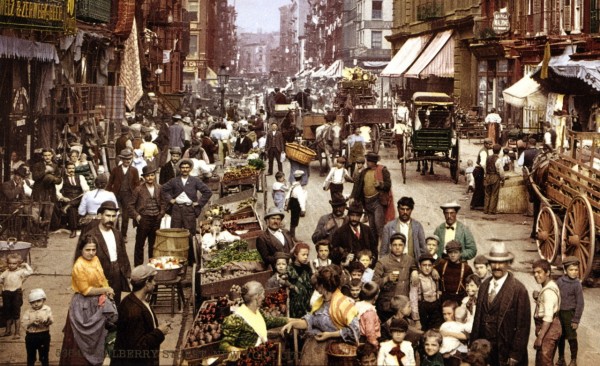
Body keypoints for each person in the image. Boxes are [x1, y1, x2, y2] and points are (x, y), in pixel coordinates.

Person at [282, 265, 360, 365]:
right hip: (314, 351)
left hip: (334, 354)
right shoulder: (320, 302)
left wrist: (330, 335)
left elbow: (354, 331)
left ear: (322, 286)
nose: (315, 289)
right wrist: (293, 324)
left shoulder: (343, 304)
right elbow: (310, 320)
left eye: (317, 286)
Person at [59, 235, 118, 366]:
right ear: (81, 249)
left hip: (98, 302)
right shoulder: (78, 266)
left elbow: (102, 278)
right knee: (81, 341)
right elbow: (85, 290)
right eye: (88, 250)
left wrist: (107, 291)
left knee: (99, 337)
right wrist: (105, 290)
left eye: (93, 249)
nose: (91, 253)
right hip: (83, 305)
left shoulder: (96, 259)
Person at [471, 242, 531, 366]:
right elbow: (477, 319)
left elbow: (523, 326)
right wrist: (473, 345)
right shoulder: (484, 285)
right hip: (484, 349)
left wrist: (515, 354)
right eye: (493, 262)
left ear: (508, 264)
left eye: (501, 263)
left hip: (505, 349)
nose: (497, 266)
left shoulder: (518, 289)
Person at [111, 265, 171, 365]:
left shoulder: (133, 300)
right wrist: (159, 332)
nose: (155, 283)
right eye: (153, 281)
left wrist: (154, 326)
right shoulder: (134, 311)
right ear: (147, 283)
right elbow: (138, 348)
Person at [220, 281, 289, 361]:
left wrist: (290, 320)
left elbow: (271, 321)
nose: (264, 297)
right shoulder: (236, 319)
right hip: (247, 360)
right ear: (257, 297)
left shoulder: (258, 312)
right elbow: (223, 344)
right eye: (262, 294)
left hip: (261, 356)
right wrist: (234, 350)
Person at [79, 201, 132, 305]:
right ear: (99, 216)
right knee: (99, 305)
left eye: (113, 216)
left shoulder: (117, 234)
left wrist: (127, 273)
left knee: (115, 303)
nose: (111, 219)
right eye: (107, 216)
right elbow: (82, 259)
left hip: (116, 271)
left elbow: (123, 254)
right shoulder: (91, 235)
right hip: (99, 273)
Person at [161, 159, 212, 263]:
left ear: (190, 169)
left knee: (190, 234)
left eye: (187, 168)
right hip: (176, 210)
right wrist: (170, 200)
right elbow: (163, 189)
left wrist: (199, 203)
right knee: (176, 233)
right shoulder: (174, 181)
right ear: (180, 169)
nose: (185, 169)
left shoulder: (195, 181)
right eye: (183, 168)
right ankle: (177, 258)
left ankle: (191, 259)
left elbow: (207, 192)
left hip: (189, 210)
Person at [373, 233, 417, 322]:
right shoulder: (382, 262)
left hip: (403, 305)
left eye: (400, 245)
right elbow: (374, 283)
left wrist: (415, 271)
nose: (397, 247)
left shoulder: (409, 260)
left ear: (404, 246)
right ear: (390, 246)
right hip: (387, 305)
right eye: (395, 245)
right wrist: (386, 279)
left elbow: (414, 267)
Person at [129, 165, 166, 266]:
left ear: (155, 176)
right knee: (140, 244)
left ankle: (152, 267)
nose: (150, 178)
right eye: (148, 176)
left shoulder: (159, 188)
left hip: (156, 219)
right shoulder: (138, 189)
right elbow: (130, 205)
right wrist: (137, 216)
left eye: (152, 175)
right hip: (143, 219)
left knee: (153, 245)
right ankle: (138, 268)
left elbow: (164, 202)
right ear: (144, 178)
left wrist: (161, 213)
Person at [350, 151, 393, 242]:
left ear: (373, 161)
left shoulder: (383, 170)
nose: (367, 162)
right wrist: (353, 197)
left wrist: (380, 185)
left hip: (378, 202)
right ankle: (374, 250)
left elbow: (388, 185)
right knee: (372, 228)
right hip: (367, 203)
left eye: (368, 161)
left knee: (379, 227)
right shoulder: (364, 172)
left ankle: (384, 248)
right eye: (367, 160)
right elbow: (357, 186)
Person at [532, 259, 561, 366]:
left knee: (544, 362)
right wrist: (538, 297)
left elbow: (548, 317)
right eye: (534, 272)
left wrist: (540, 338)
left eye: (539, 272)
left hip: (549, 328)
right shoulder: (551, 285)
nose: (536, 275)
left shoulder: (548, 292)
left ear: (548, 272)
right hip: (553, 327)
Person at [556, 256, 584, 366]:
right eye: (571, 270)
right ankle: (561, 358)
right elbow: (554, 294)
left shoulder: (577, 284)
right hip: (559, 314)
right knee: (560, 337)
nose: (574, 272)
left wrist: (576, 320)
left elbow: (580, 303)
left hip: (570, 315)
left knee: (572, 337)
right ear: (565, 270)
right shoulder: (560, 281)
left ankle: (573, 360)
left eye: (576, 270)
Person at [107, 148, 141, 239]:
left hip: (128, 195)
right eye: (125, 159)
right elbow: (110, 183)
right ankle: (115, 233)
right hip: (116, 195)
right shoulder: (115, 170)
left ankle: (123, 235)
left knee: (125, 216)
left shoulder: (134, 170)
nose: (127, 161)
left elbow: (137, 184)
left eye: (129, 159)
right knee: (115, 214)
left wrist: (137, 195)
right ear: (121, 159)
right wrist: (107, 194)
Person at [330, 201, 378, 266]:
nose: (354, 219)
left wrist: (371, 262)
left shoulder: (367, 230)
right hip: (348, 268)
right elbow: (333, 253)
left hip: (366, 267)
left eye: (357, 216)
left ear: (361, 216)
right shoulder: (340, 232)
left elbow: (374, 249)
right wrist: (345, 256)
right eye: (352, 215)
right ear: (348, 215)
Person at [0, 253, 33, 338]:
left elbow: (30, 272)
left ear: (18, 264)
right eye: (10, 263)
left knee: (16, 313)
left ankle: (17, 332)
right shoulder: (6, 272)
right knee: (7, 312)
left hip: (16, 294)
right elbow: (0, 279)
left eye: (14, 263)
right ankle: (8, 331)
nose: (11, 265)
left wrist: (25, 265)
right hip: (6, 293)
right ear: (7, 263)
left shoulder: (21, 272)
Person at [409, 253, 443, 331]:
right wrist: (416, 320)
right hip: (423, 309)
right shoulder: (417, 278)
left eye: (429, 265)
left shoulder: (434, 276)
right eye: (424, 265)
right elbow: (413, 300)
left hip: (435, 309)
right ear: (420, 266)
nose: (427, 268)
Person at [57, 161, 90, 238]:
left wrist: (83, 195)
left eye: (73, 168)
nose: (71, 170)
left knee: (83, 197)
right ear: (66, 169)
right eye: (69, 168)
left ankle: (68, 206)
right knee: (72, 209)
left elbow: (86, 189)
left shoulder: (80, 177)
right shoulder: (62, 179)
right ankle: (74, 230)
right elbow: (57, 191)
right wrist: (62, 197)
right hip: (68, 199)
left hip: (79, 199)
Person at [435, 240, 474, 305]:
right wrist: (434, 271)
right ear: (447, 253)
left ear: (460, 253)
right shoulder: (442, 264)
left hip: (459, 299)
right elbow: (431, 269)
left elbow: (472, 285)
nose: (453, 255)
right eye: (450, 252)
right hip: (444, 299)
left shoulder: (466, 268)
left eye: (455, 252)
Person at [30, 148, 62, 226]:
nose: (47, 157)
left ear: (52, 156)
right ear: (42, 156)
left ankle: (45, 232)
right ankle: (36, 231)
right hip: (39, 191)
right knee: (36, 213)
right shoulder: (37, 165)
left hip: (50, 192)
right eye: (45, 155)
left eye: (49, 155)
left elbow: (59, 180)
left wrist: (53, 179)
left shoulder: (55, 166)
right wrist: (45, 171)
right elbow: (35, 177)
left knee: (48, 213)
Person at [22, 288, 53, 366]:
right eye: (33, 302)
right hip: (31, 336)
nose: (36, 304)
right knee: (31, 356)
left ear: (43, 300)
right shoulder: (28, 311)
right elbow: (23, 323)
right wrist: (31, 322)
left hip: (44, 335)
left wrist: (46, 321)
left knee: (44, 356)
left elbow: (51, 320)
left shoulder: (47, 309)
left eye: (38, 301)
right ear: (30, 303)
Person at [287, 242, 314, 318]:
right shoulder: (289, 269)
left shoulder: (307, 268)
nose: (305, 257)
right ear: (295, 254)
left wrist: (312, 267)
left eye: (307, 255)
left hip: (307, 303)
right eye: (303, 255)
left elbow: (313, 283)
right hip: (295, 304)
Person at [355, 281, 381, 347]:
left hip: (358, 338)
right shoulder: (369, 312)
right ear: (376, 296)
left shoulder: (358, 305)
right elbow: (370, 331)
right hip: (366, 342)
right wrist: (375, 343)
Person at [483, 144, 505, 215]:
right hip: (495, 176)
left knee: (487, 194)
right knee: (494, 194)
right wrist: (503, 178)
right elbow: (501, 171)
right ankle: (491, 211)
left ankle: (485, 209)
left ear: (492, 150)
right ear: (499, 151)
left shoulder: (488, 158)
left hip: (488, 176)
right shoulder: (498, 160)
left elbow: (485, 167)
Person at [285, 170, 307, 239]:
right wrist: (303, 209)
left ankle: (292, 234)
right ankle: (292, 236)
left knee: (293, 219)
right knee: (295, 220)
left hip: (292, 202)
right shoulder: (299, 188)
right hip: (296, 204)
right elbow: (301, 199)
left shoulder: (293, 185)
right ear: (301, 178)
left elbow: (287, 195)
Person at [471, 139, 492, 210]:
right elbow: (483, 164)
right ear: (485, 144)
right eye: (489, 144)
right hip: (479, 171)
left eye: (490, 144)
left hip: (479, 171)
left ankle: (475, 204)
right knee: (479, 188)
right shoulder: (484, 152)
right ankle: (475, 205)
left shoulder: (484, 150)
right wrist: (486, 172)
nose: (490, 146)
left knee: (479, 188)